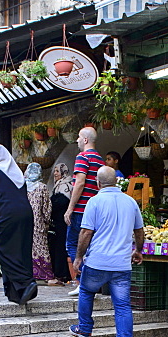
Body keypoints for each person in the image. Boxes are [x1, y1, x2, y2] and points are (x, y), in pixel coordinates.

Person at [69, 166, 144, 337]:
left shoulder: (94, 202)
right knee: (123, 305)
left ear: (98, 182)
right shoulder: (130, 202)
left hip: (97, 261)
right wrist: (138, 250)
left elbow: (86, 233)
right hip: (121, 264)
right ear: (116, 181)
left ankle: (85, 329)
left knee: (87, 292)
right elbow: (139, 231)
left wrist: (79, 257)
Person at [0, 144, 37, 306]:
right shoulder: (17, 174)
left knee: (3, 250)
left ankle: (26, 282)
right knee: (21, 249)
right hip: (26, 214)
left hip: (7, 214)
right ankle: (18, 293)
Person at [64, 127, 103, 296]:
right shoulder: (100, 160)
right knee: (91, 247)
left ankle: (82, 281)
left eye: (79, 137)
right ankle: (91, 282)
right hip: (95, 209)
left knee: (73, 244)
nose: (77, 141)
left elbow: (79, 183)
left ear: (86, 140)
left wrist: (70, 208)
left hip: (81, 209)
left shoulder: (82, 157)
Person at [25, 162, 53, 282]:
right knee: (41, 247)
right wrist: (47, 220)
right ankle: (45, 274)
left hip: (25, 222)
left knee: (27, 247)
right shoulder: (42, 187)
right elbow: (47, 207)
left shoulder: (23, 186)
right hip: (39, 223)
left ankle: (29, 273)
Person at [47, 163, 72, 285]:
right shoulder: (57, 186)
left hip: (63, 223)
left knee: (61, 247)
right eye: (55, 171)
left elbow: (61, 202)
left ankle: (62, 275)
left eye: (58, 171)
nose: (55, 173)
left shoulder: (66, 186)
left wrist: (49, 206)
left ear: (64, 172)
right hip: (56, 222)